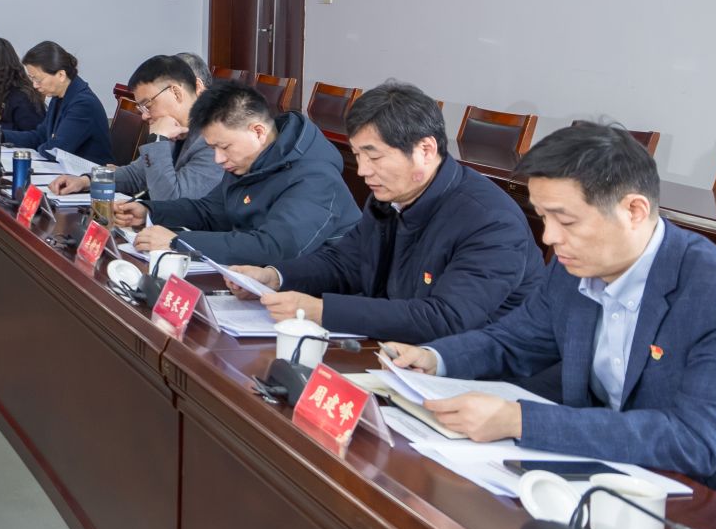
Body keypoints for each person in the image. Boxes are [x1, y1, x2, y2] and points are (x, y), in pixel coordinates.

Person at [384, 123, 716, 483]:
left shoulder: (711, 291)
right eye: (544, 218)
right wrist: (435, 358)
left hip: (692, 494)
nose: (549, 237)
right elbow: (515, 339)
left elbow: (694, 439)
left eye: (566, 221)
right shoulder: (574, 268)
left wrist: (521, 421)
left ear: (634, 211)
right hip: (597, 471)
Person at [227, 82, 539, 341]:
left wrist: (322, 311)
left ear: (425, 150)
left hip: (473, 372)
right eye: (358, 155)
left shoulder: (490, 221)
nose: (363, 171)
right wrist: (275, 276)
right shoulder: (390, 197)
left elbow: (446, 317)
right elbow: (345, 263)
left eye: (374, 157)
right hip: (399, 348)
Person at [116, 80, 359, 263]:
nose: (218, 159)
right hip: (254, 280)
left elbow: (273, 247)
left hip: (313, 297)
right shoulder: (251, 159)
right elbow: (210, 211)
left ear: (258, 132)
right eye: (213, 148)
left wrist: (176, 242)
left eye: (224, 147)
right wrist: (150, 211)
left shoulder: (315, 176)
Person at [51, 54, 223, 202]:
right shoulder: (175, 129)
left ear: (176, 93)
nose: (145, 116)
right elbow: (136, 174)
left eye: (148, 105)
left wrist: (157, 139)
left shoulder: (213, 140)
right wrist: (87, 181)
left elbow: (171, 201)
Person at [17, 41, 112, 165]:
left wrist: (40, 148)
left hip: (88, 173)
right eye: (32, 79)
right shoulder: (59, 96)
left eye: (38, 79)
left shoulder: (83, 104)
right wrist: (1, 135)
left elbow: (56, 150)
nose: (34, 85)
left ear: (61, 75)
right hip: (66, 170)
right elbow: (40, 136)